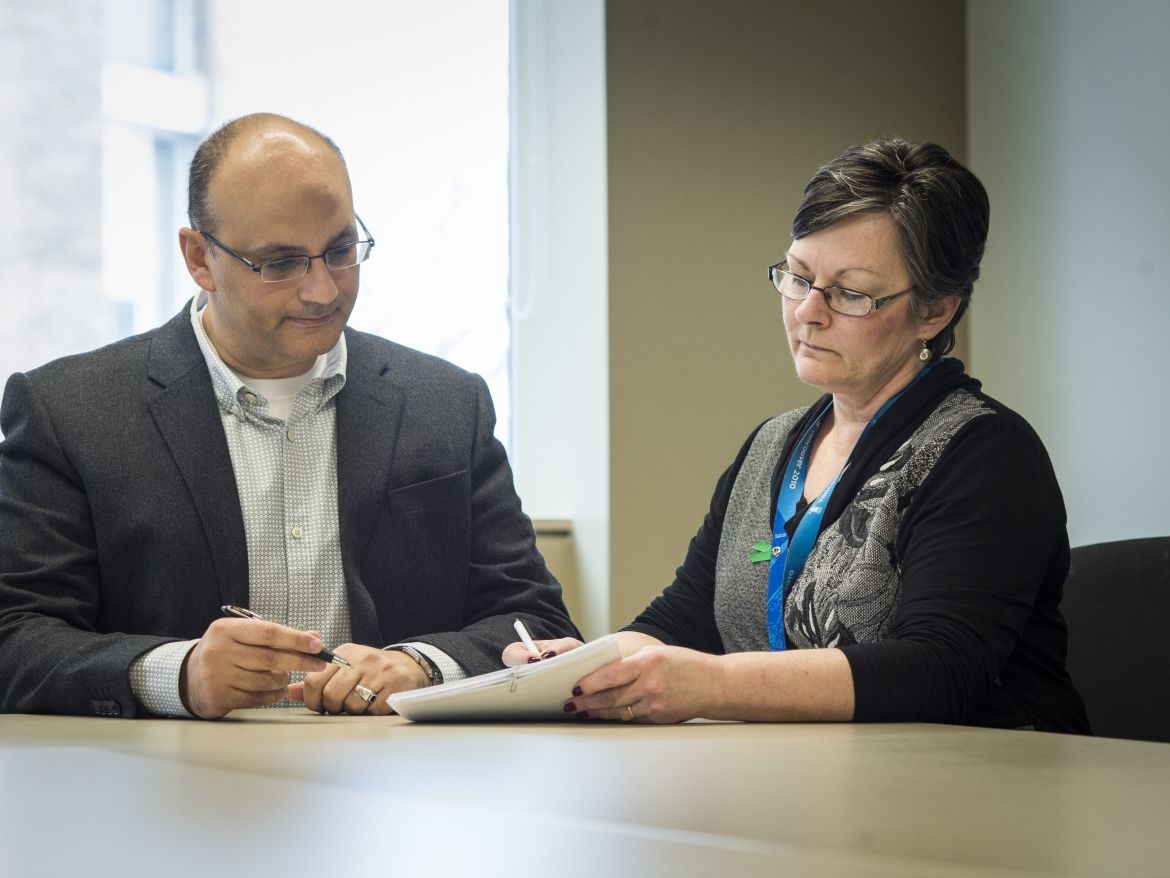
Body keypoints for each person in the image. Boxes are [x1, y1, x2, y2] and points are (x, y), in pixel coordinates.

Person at [0, 113, 577, 720]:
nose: (323, 290)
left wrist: (423, 665)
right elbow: (14, 636)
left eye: (341, 251)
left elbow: (537, 624)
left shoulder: (448, 403)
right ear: (199, 258)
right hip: (167, 770)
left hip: (397, 769)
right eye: (280, 263)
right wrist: (177, 674)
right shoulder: (71, 411)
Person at [505, 137, 1089, 733]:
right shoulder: (773, 445)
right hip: (809, 775)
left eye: (850, 293)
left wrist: (708, 684)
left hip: (979, 774)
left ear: (935, 311)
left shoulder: (986, 454)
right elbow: (681, 623)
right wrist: (584, 669)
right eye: (799, 277)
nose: (809, 310)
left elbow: (938, 671)